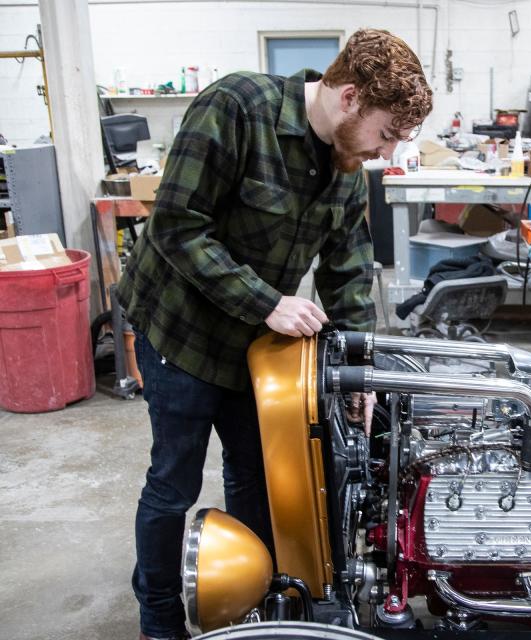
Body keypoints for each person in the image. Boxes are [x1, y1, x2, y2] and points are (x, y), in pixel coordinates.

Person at [116, 29, 433, 640]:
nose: (387, 151)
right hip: (179, 334)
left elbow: (346, 270)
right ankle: (157, 618)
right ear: (348, 98)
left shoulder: (346, 166)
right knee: (173, 480)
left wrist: (361, 372)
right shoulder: (237, 107)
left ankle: (253, 604)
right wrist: (267, 303)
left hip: (255, 351)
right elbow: (176, 227)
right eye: (386, 133)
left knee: (259, 476)